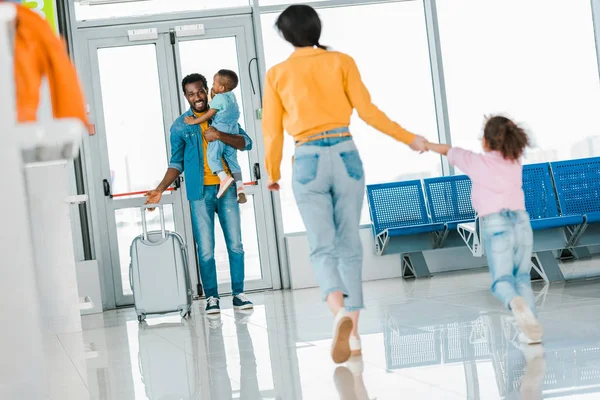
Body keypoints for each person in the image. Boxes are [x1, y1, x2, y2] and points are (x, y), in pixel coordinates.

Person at [261, 5, 428, 364]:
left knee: (322, 248)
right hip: (345, 152)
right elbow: (368, 112)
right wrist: (409, 138)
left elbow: (272, 131)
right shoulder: (341, 61)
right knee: (349, 244)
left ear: (286, 36)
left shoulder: (277, 73)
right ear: (316, 28)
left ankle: (337, 312)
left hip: (306, 158)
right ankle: (353, 335)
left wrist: (271, 172)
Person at [425, 115, 543, 344]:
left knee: (502, 282)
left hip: (496, 224)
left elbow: (448, 150)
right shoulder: (515, 159)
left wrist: (427, 145)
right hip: (522, 222)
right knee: (522, 278)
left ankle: (515, 304)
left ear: (486, 141)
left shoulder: (475, 162)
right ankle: (531, 330)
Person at [145, 73, 254, 315]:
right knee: (205, 249)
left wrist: (220, 135)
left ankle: (239, 294)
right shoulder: (181, 126)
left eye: (200, 92)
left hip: (227, 189)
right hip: (199, 192)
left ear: (207, 90)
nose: (197, 98)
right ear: (186, 96)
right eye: (191, 94)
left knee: (235, 245)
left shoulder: (224, 113)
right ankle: (212, 298)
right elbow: (176, 163)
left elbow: (246, 143)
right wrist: (160, 189)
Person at [184, 70, 247, 203]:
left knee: (212, 156)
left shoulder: (218, 99)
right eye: (191, 94)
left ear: (221, 88)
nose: (213, 86)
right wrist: (214, 96)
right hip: (233, 128)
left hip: (221, 128)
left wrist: (194, 121)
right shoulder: (232, 96)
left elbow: (210, 114)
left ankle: (224, 178)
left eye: (214, 83)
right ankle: (240, 187)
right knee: (232, 159)